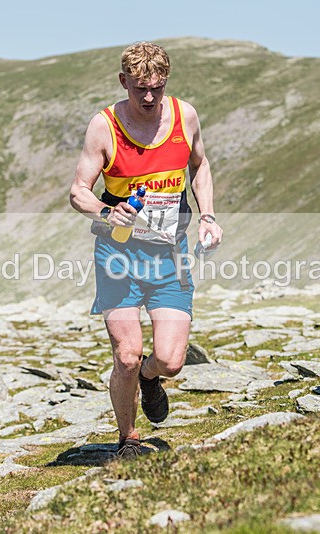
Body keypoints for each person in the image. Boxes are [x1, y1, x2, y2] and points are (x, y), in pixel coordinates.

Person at [69, 42, 222, 459]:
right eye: (140, 89)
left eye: (157, 87)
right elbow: (78, 192)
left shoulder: (184, 115)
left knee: (170, 361)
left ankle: (151, 381)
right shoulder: (104, 127)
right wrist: (105, 210)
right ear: (124, 83)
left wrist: (207, 216)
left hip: (170, 255)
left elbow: (200, 166)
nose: (150, 97)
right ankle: (128, 439)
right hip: (118, 256)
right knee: (128, 354)